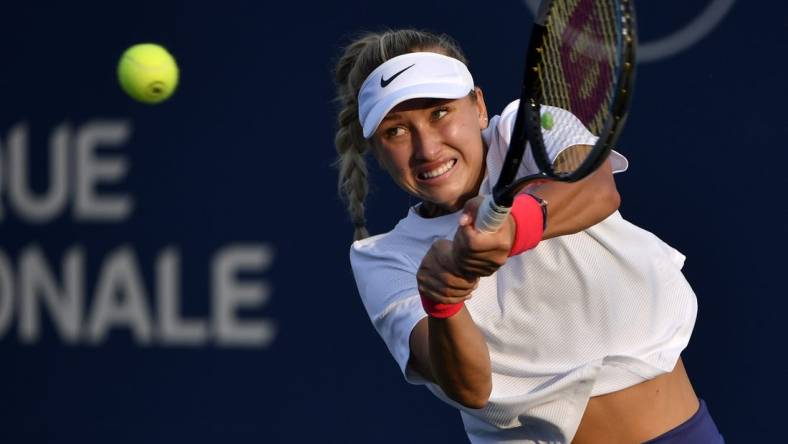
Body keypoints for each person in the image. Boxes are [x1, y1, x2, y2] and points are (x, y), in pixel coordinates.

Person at [333, 29, 723, 443]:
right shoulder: (383, 258)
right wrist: (444, 301)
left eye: (440, 112)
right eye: (396, 131)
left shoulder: (527, 126)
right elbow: (469, 388)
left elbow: (596, 187)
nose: (427, 149)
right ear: (376, 149)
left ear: (479, 107)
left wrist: (515, 227)